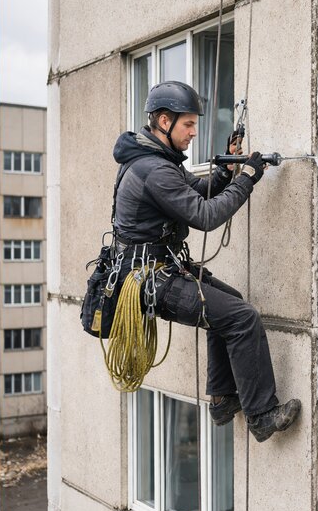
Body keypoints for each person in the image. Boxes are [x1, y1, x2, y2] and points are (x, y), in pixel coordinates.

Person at [111, 80, 301, 442]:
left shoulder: (156, 160)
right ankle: (262, 415)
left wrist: (228, 171)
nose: (194, 132)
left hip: (155, 269)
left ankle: (222, 397)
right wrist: (246, 179)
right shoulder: (155, 169)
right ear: (164, 121)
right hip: (149, 278)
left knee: (230, 304)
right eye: (188, 124)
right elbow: (206, 215)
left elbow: (196, 192)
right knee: (242, 318)